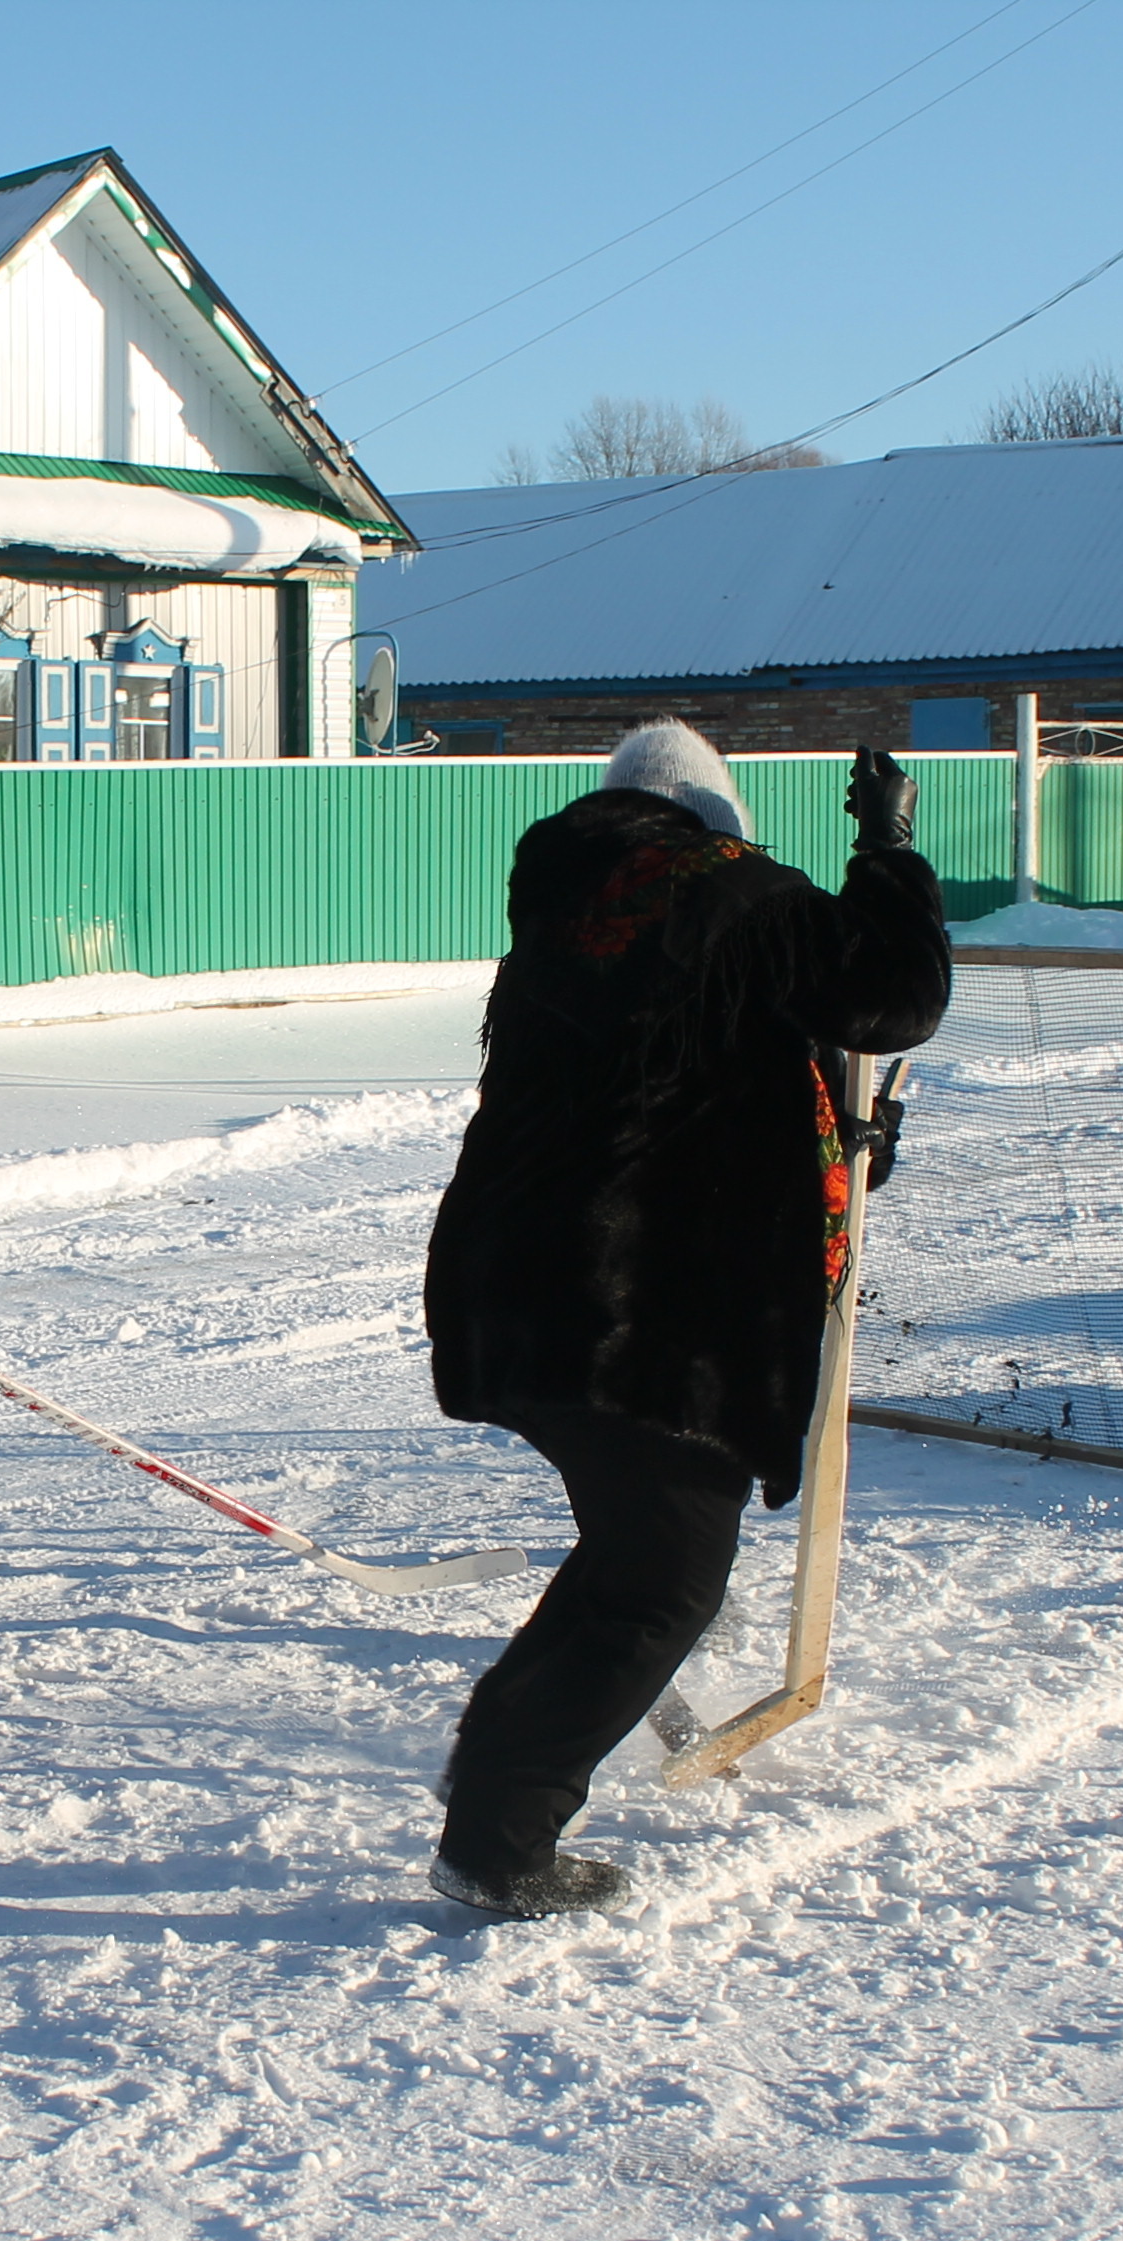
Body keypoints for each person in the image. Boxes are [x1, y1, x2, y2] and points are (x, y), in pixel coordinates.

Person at [420, 722, 952, 1918]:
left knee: (631, 1559)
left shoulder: (564, 910)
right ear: (715, 823)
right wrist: (890, 853)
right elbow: (896, 994)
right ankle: (500, 1841)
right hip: (645, 1319)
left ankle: (498, 1796)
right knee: (663, 1581)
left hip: (520, 1294)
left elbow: (707, 1064)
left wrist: (832, 1130)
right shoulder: (731, 895)